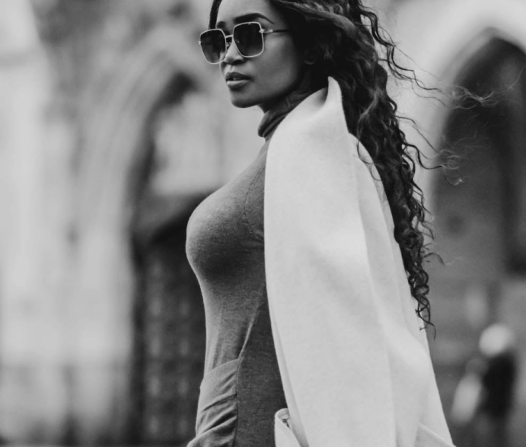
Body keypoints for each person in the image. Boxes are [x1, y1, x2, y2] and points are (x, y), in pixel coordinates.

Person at [185, 0, 455, 446]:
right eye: (218, 40)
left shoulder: (310, 152)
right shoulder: (296, 147)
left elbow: (351, 343)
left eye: (250, 35)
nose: (231, 55)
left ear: (309, 45)